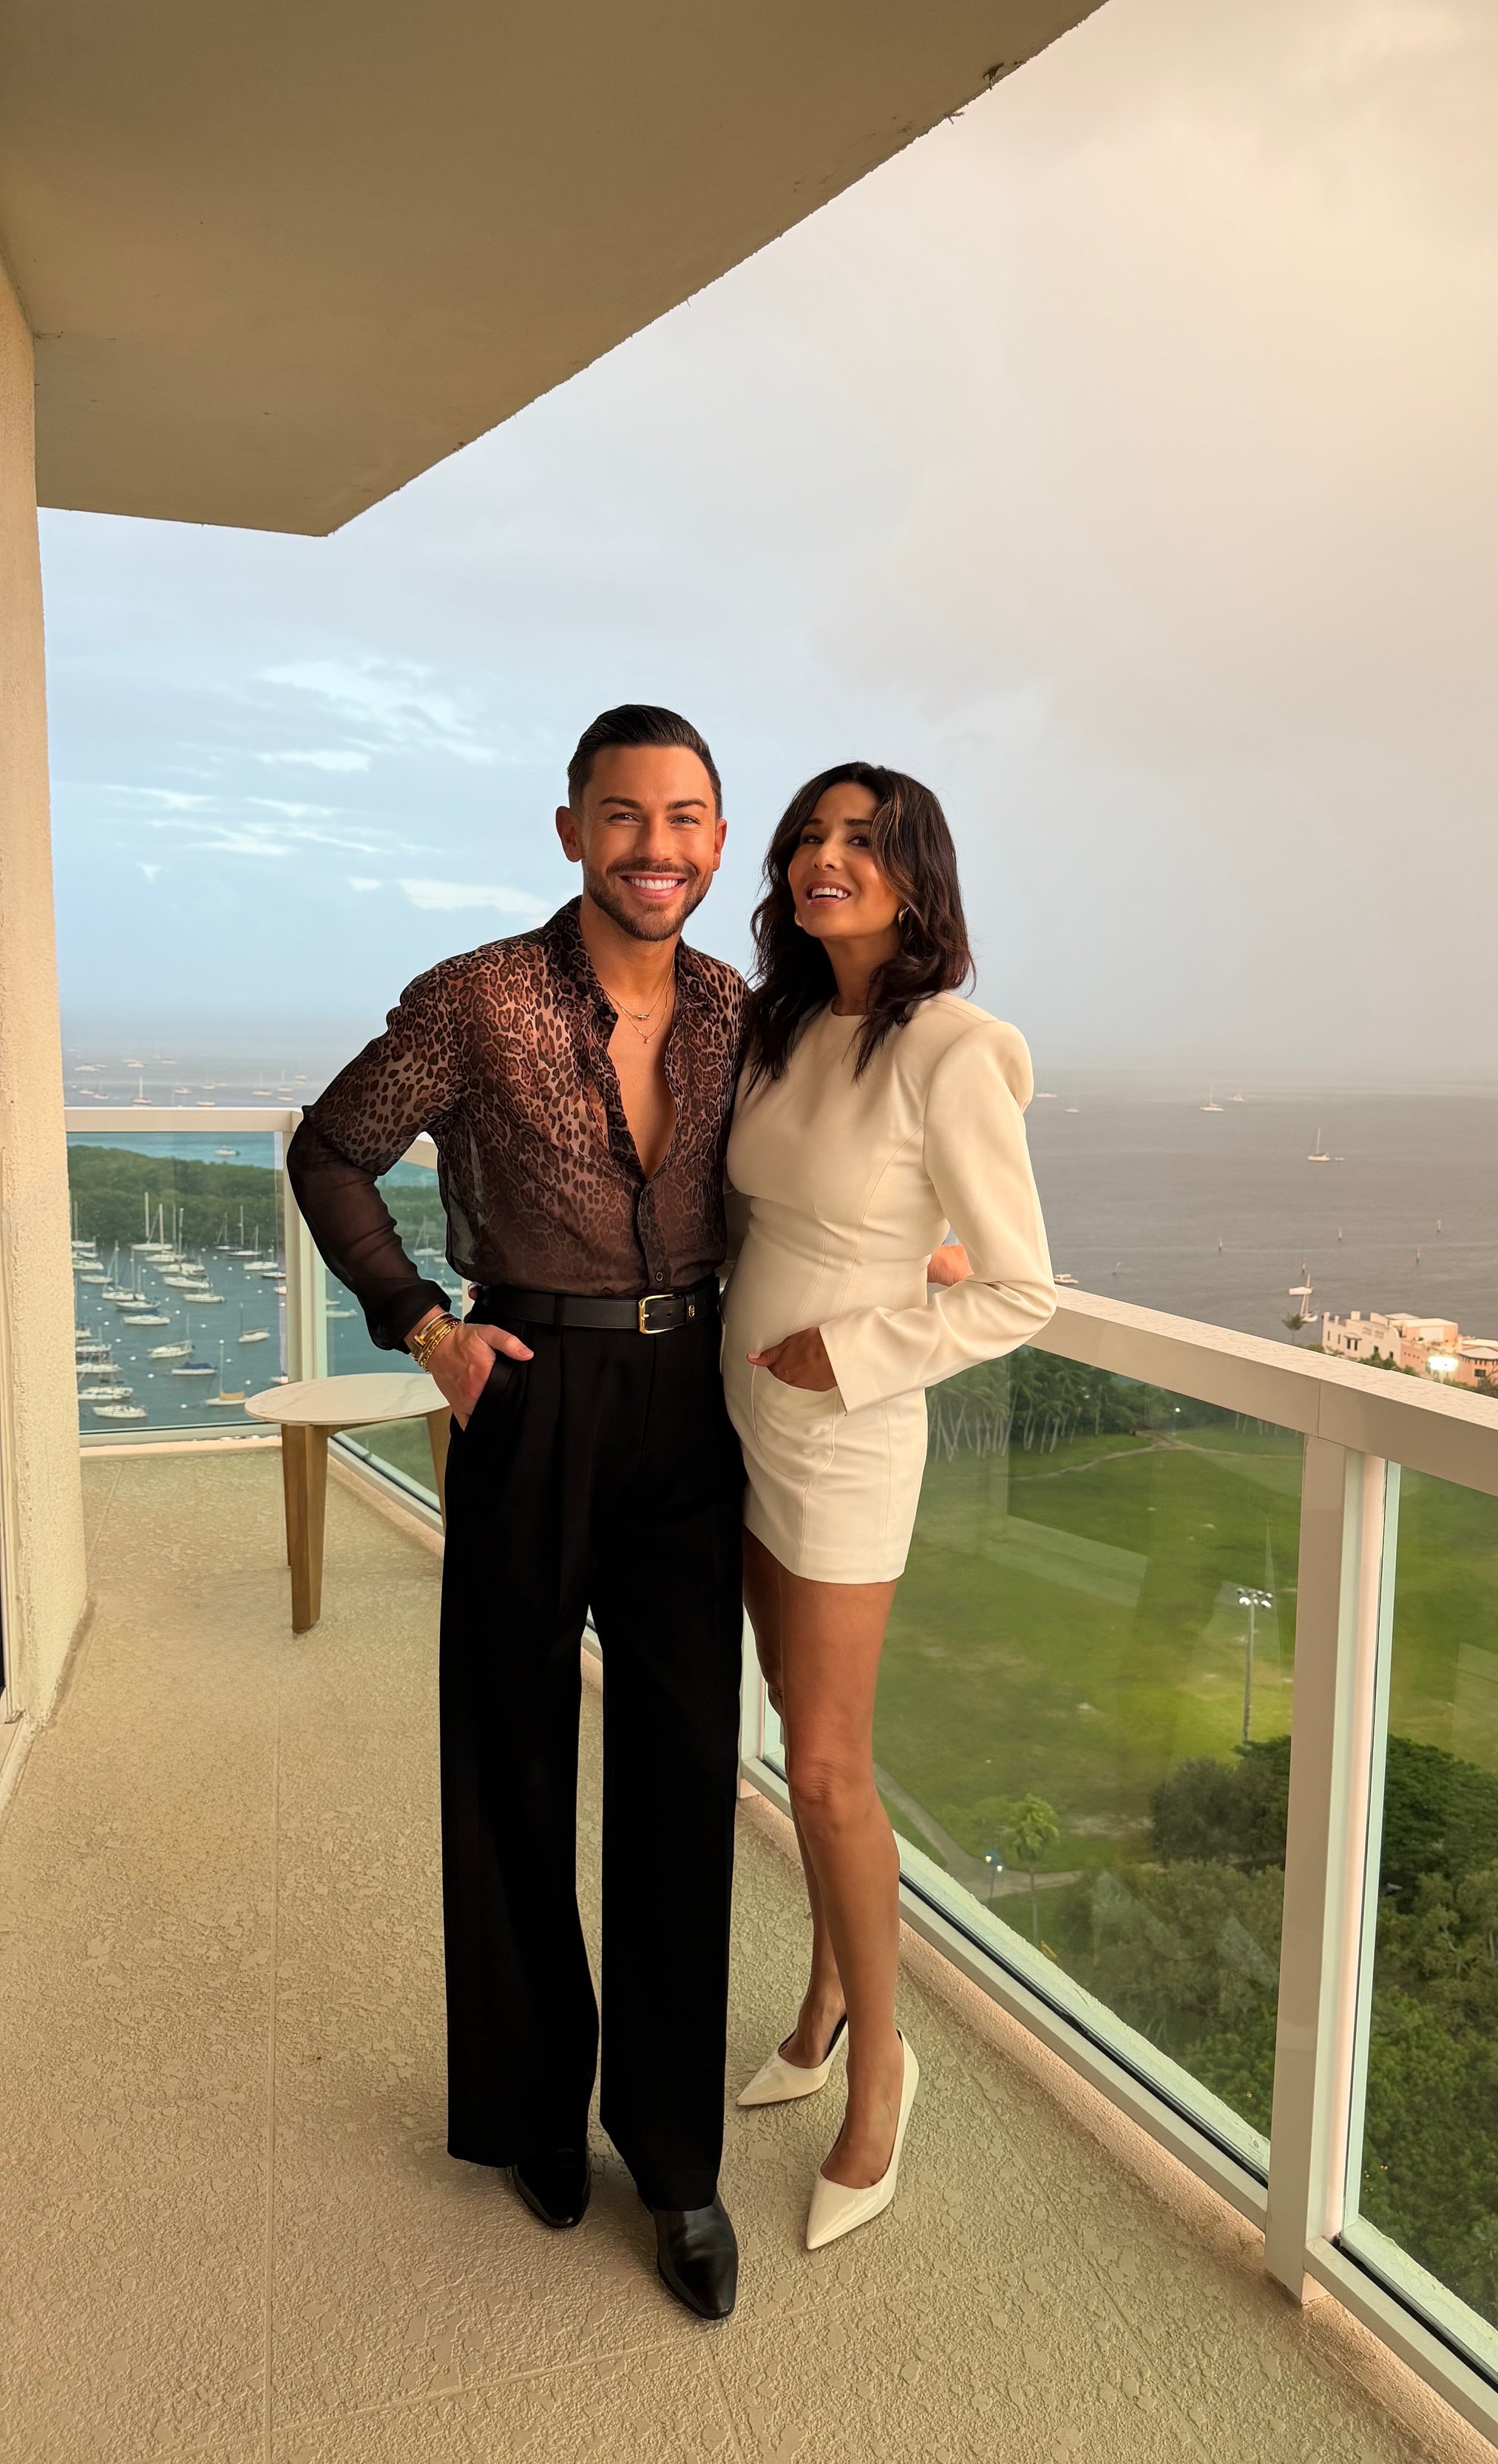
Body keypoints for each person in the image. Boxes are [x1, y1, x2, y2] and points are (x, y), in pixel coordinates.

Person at [286, 704, 748, 2322]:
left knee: (689, 1775)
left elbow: (805, 1178)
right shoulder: (474, 997)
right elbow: (332, 1148)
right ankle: (534, 2109)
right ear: (569, 830)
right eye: (625, 817)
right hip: (527, 1386)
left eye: (686, 818)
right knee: (510, 1757)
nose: (657, 848)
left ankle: (673, 2156)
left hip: (692, 1401)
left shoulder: (730, 1008)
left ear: (714, 836)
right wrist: (422, 1322)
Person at [722, 761, 1055, 2250]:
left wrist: (855, 1341)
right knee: (792, 1740)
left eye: (860, 839)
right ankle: (817, 2000)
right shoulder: (782, 1024)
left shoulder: (956, 1045)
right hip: (733, 1413)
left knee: (831, 1773)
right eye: (808, 835)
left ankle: (882, 2074)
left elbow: (1020, 1288)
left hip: (844, 1432)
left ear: (917, 872)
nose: (821, 857)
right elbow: (779, 1208)